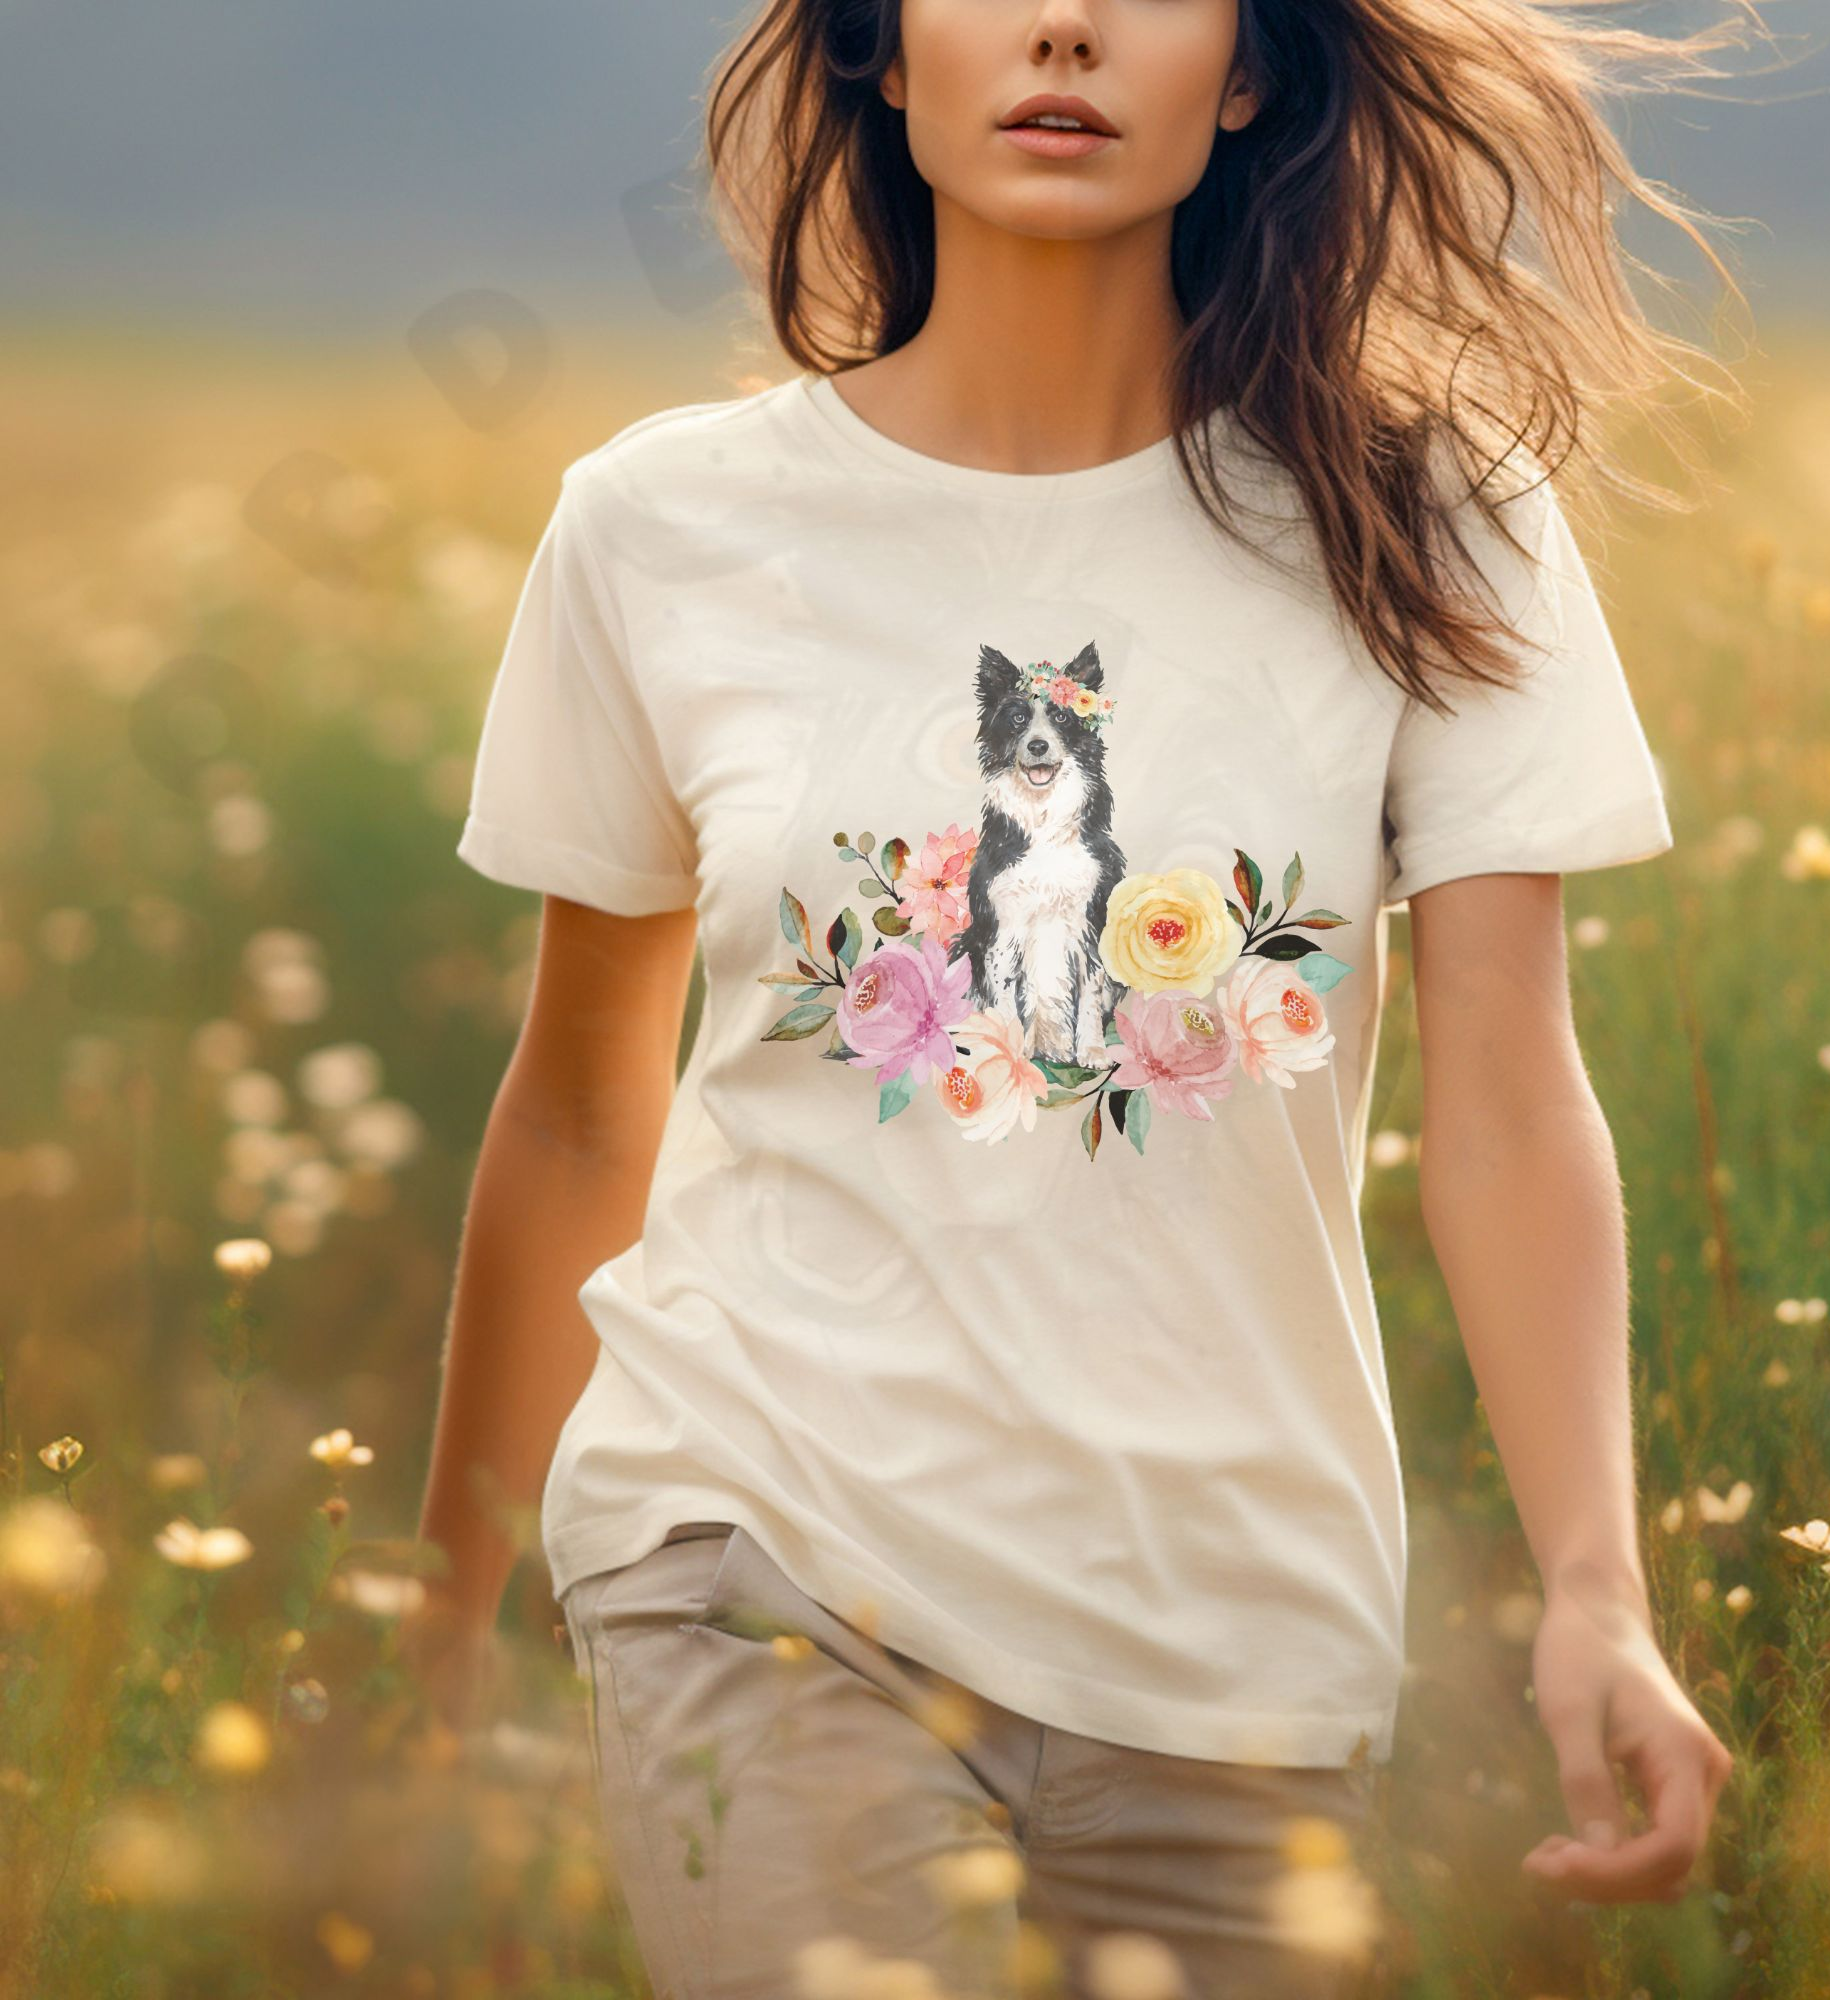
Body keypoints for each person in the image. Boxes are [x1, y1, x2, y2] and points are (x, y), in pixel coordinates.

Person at [416, 0, 1748, 1992]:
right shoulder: (661, 527)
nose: (1062, 23)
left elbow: (1505, 1097)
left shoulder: (1434, 525)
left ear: (1249, 71)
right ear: (876, 48)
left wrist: (1596, 1591)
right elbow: (584, 1105)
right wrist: (432, 1635)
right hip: (759, 1560)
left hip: (1240, 1635)